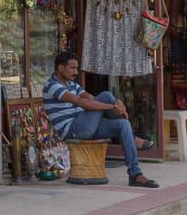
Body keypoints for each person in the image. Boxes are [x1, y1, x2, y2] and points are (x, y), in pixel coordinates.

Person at [44, 51, 159, 188]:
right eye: (72, 68)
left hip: (86, 124)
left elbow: (92, 99)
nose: (75, 72)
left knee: (122, 124)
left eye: (77, 68)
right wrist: (112, 106)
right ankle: (134, 139)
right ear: (60, 68)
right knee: (106, 95)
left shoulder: (72, 84)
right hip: (73, 129)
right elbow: (81, 102)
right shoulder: (52, 85)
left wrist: (116, 104)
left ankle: (135, 174)